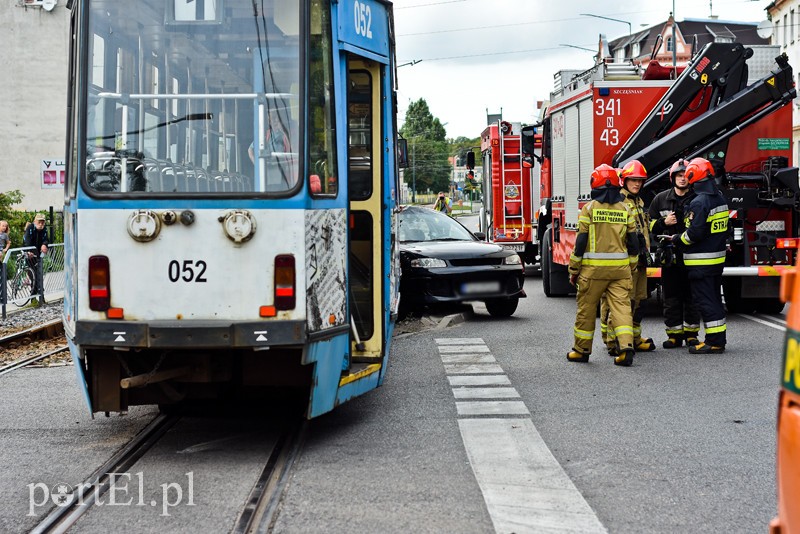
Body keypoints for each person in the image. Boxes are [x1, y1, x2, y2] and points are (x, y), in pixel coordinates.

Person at [567, 164, 639, 367]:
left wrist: (574, 268)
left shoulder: (589, 209)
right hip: (620, 271)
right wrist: (631, 267)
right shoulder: (626, 209)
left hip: (592, 272)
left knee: (587, 310)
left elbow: (581, 242)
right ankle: (625, 348)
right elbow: (634, 244)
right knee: (622, 309)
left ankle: (581, 351)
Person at [671, 157, 728, 354]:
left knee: (706, 301)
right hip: (716, 261)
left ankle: (713, 342)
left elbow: (694, 234)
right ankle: (718, 338)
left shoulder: (699, 202)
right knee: (714, 298)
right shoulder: (719, 198)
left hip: (701, 263)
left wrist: (678, 239)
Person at [601, 160, 656, 355]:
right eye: (633, 180)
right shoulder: (618, 202)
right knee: (621, 302)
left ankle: (633, 338)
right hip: (624, 261)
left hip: (640, 260)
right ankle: (613, 341)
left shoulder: (638, 201)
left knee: (639, 301)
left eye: (640, 181)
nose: (637, 184)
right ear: (623, 180)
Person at [648, 159, 701, 348]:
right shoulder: (660, 199)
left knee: (692, 296)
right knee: (671, 297)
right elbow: (648, 225)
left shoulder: (698, 198)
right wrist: (663, 223)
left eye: (686, 176)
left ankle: (692, 334)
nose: (682, 179)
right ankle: (674, 336)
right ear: (673, 178)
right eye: (679, 175)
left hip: (692, 255)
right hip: (669, 256)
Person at [23, 213, 49, 298]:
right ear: (35, 221)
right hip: (29, 253)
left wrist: (44, 244)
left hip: (37, 254)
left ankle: (41, 297)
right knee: (33, 276)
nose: (41, 224)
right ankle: (33, 298)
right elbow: (27, 241)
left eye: (42, 222)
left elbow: (46, 239)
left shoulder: (44, 229)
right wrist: (29, 251)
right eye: (39, 222)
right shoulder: (30, 228)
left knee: (39, 275)